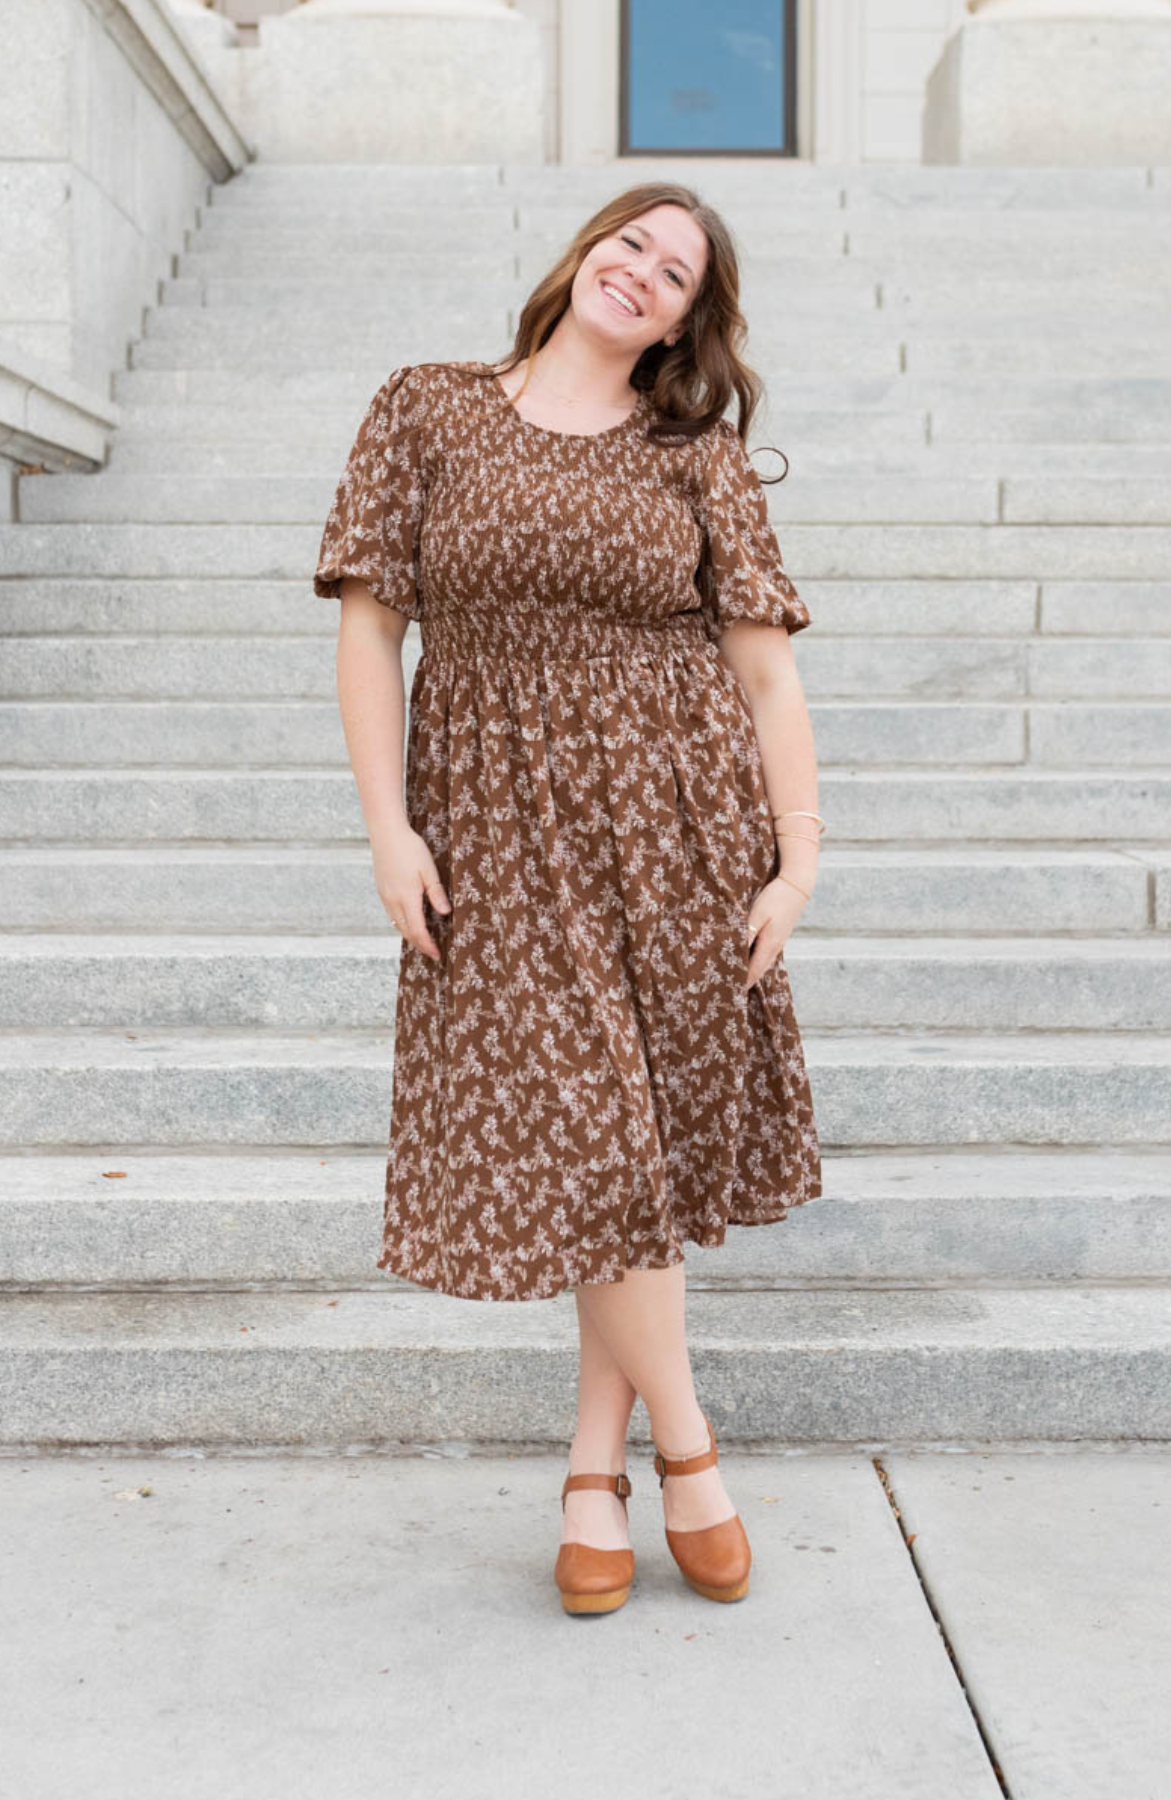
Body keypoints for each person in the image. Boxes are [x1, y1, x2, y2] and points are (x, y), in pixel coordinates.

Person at [313, 181, 826, 1615]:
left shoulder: (694, 455)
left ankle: (591, 1471)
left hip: (673, 832)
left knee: (632, 1162)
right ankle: (691, 1450)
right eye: (633, 244)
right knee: (596, 1144)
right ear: (584, 250)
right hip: (492, 836)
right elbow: (371, 628)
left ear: (684, 322)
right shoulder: (427, 408)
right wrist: (388, 829)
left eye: (674, 274)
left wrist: (796, 853)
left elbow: (765, 667)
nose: (643, 273)